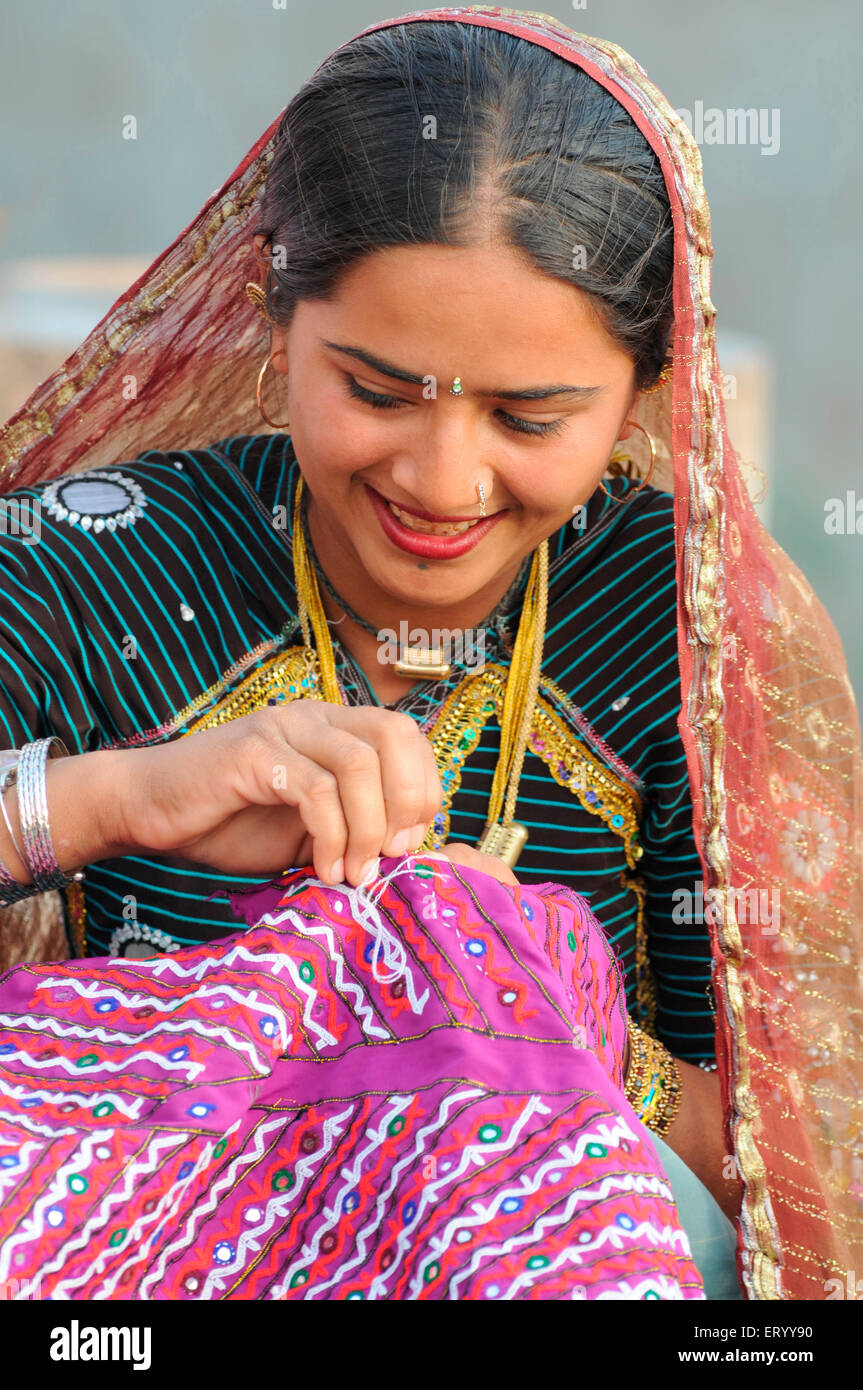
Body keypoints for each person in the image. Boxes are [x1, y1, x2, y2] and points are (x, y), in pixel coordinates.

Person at [0, 6, 860, 1300]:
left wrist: (530, 1002)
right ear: (267, 305)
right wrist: (120, 799)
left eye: (529, 414)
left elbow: (809, 1182)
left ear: (645, 387)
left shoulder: (686, 637)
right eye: (379, 390)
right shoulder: (88, 568)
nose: (442, 480)